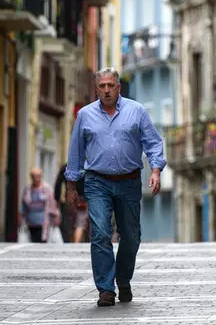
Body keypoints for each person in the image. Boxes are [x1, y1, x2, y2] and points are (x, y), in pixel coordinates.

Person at [64, 67, 165, 307]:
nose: (107, 90)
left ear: (118, 87)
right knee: (100, 234)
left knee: (131, 237)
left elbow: (153, 142)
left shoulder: (137, 111)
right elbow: (76, 152)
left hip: (129, 181)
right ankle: (106, 289)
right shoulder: (85, 116)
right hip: (97, 181)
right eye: (102, 86)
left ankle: (123, 280)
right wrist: (71, 186)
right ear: (96, 88)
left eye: (111, 86)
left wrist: (156, 169)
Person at [19, 168, 61, 243]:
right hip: (30, 222)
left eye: (39, 176)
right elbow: (23, 204)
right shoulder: (28, 189)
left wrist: (56, 216)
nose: (37, 178)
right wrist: (21, 217)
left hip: (44, 221)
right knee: (33, 241)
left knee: (41, 241)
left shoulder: (46, 188)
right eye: (35, 176)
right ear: (31, 177)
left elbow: (53, 203)